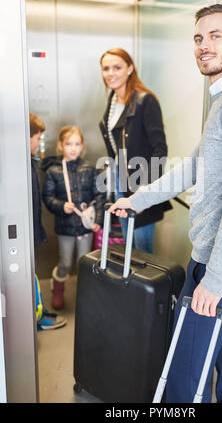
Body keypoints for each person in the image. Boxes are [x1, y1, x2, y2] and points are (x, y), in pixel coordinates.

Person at [108, 4, 222, 403]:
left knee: (185, 376)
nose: (203, 45)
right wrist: (137, 198)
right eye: (199, 38)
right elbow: (191, 169)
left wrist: (214, 280)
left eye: (216, 35)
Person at [99, 47, 171, 254]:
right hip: (121, 181)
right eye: (106, 68)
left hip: (141, 185)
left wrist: (144, 192)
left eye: (117, 67)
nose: (110, 73)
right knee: (129, 244)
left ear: (130, 69)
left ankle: (147, 287)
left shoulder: (144, 100)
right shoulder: (114, 101)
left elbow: (160, 148)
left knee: (142, 249)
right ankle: (132, 286)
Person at [42, 125, 104, 310]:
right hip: (65, 227)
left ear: (83, 145)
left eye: (77, 144)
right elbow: (48, 197)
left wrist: (98, 220)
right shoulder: (54, 171)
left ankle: (84, 296)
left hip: (86, 227)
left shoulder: (90, 169)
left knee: (83, 263)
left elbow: (99, 196)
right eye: (69, 144)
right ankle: (58, 288)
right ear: (61, 146)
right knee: (66, 263)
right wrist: (61, 206)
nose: (73, 148)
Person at [30, 113, 67, 330]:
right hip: (25, 233)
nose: (39, 143)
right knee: (30, 276)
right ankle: (36, 318)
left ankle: (37, 313)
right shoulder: (18, 165)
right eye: (37, 138)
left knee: (31, 275)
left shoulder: (32, 162)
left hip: (33, 229)